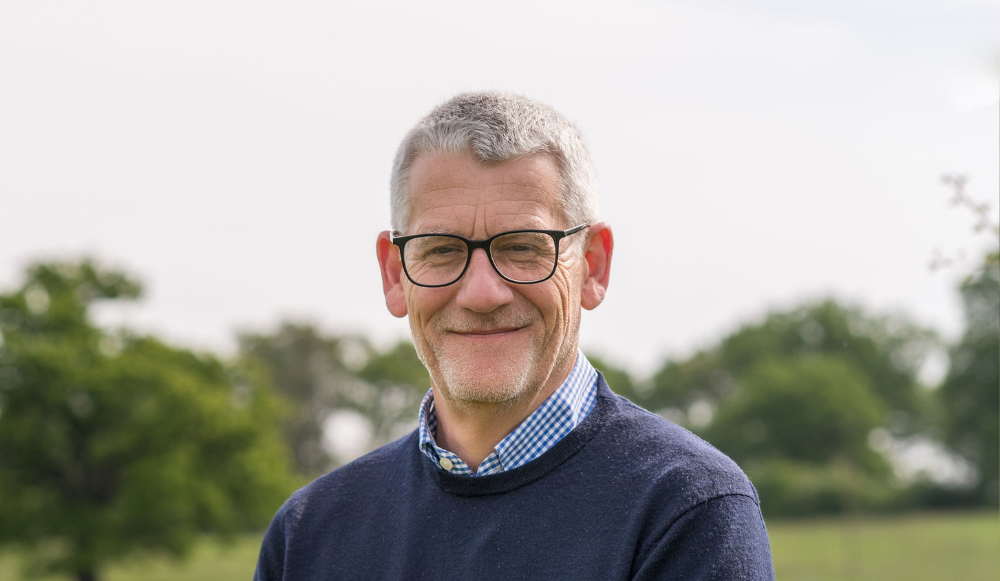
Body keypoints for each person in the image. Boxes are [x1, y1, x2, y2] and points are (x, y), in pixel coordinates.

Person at [254, 92, 775, 580]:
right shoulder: (307, 534)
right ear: (395, 275)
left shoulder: (687, 511)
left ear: (592, 266)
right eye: (441, 250)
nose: (483, 294)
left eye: (523, 247)